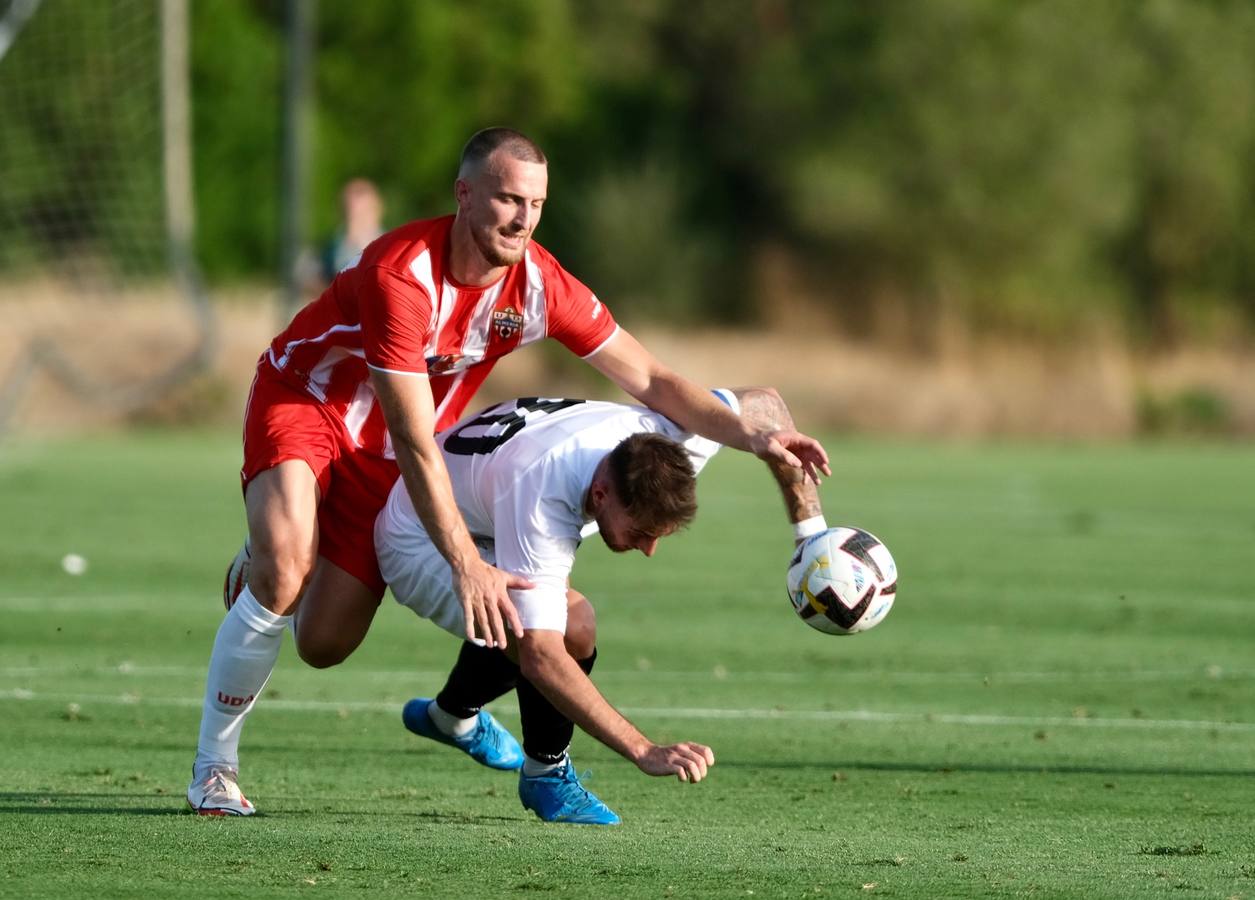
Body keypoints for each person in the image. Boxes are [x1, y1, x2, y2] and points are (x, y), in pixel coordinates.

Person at [187, 127, 829, 816]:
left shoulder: (541, 284)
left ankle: (273, 557)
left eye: (536, 204)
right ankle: (214, 769)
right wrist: (465, 562)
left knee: (321, 644)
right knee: (285, 570)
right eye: (506, 198)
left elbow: (652, 377)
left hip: (394, 453)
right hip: (309, 399)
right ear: (464, 195)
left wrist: (752, 438)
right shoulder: (400, 276)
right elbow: (413, 434)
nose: (522, 218)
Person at [375, 387, 827, 824]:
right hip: (421, 540)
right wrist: (644, 750)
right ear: (601, 495)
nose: (649, 550)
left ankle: (450, 716)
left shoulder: (665, 438)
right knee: (570, 625)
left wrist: (812, 537)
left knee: (542, 612)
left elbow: (763, 402)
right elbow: (541, 656)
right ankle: (545, 774)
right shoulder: (543, 499)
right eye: (641, 532)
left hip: (485, 503)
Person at [320, 178, 386, 284]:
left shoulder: (388, 249)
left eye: (362, 214)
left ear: (376, 211)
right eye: (348, 213)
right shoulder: (330, 248)